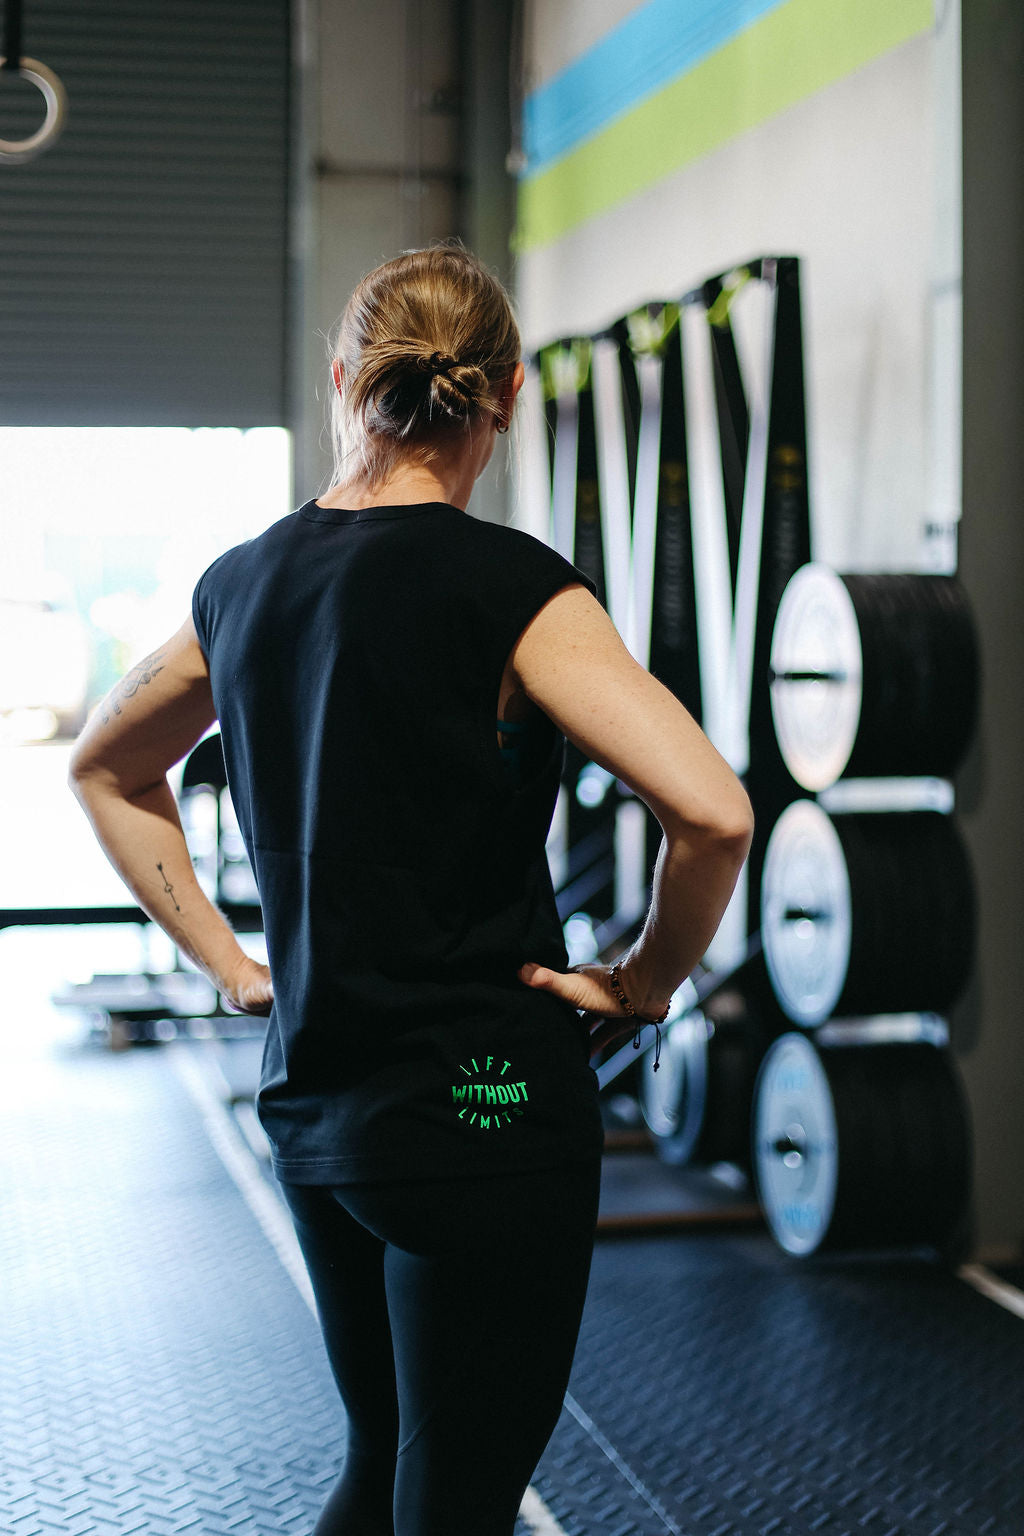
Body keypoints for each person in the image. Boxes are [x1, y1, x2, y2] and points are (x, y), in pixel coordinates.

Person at [69, 242, 753, 1536]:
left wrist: (236, 968)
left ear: (344, 382)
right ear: (503, 396)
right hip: (486, 1113)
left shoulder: (241, 586)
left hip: (316, 1103)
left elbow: (106, 768)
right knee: (455, 1498)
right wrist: (643, 984)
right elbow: (715, 814)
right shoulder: (516, 589)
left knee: (381, 1462)